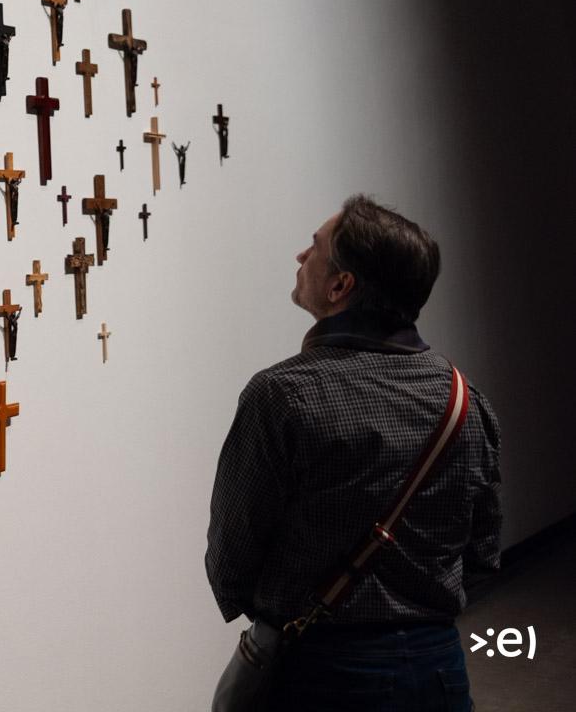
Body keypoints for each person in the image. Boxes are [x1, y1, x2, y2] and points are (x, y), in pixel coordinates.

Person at [206, 195, 501, 710]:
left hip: (321, 672)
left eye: (315, 247)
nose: (301, 256)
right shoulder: (464, 399)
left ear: (341, 286)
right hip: (437, 669)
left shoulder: (283, 395)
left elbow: (234, 552)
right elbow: (483, 551)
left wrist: (283, 612)